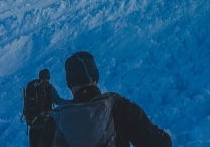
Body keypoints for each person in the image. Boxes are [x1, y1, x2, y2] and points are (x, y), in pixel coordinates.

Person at [39, 51, 171, 147]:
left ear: (70, 85)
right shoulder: (119, 107)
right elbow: (161, 143)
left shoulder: (55, 120)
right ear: (96, 78)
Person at [26, 68, 71, 147]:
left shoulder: (31, 87)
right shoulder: (48, 88)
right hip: (45, 126)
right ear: (48, 77)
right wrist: (72, 102)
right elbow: (57, 100)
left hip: (33, 125)